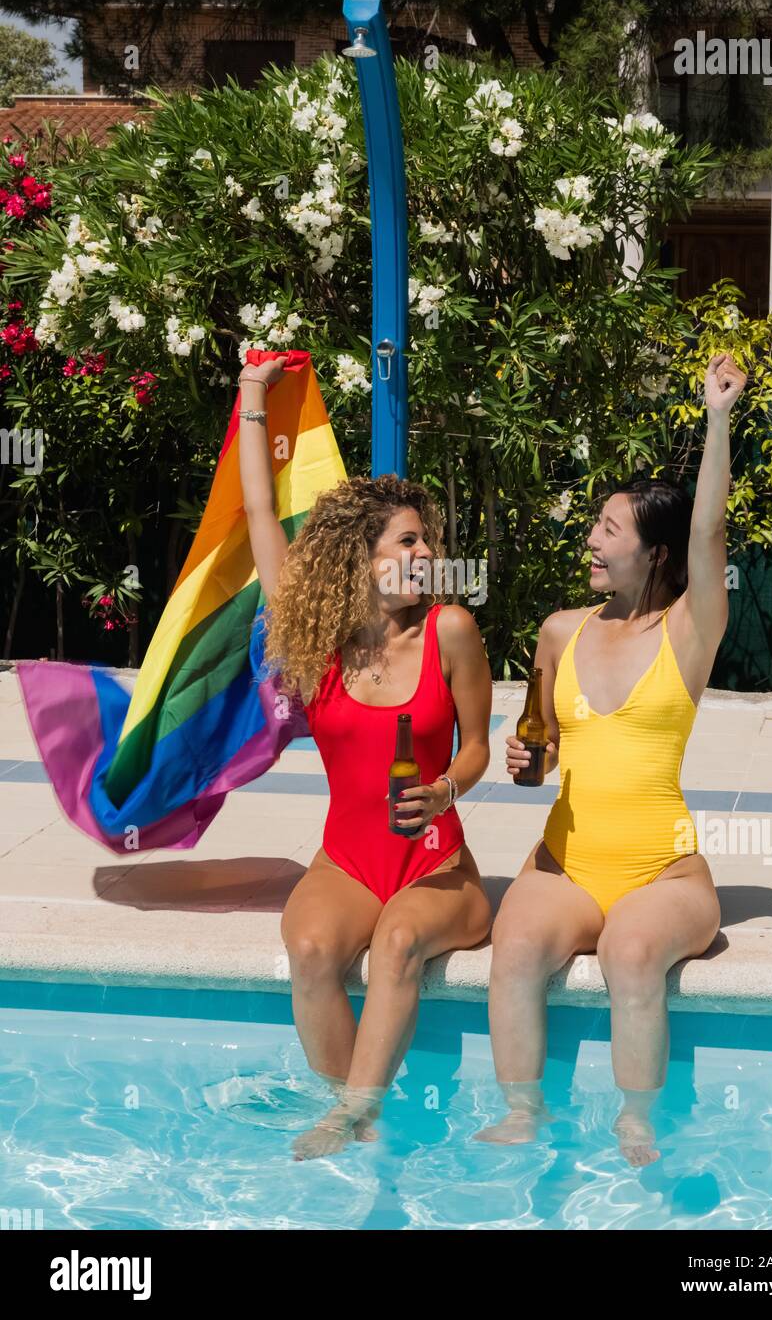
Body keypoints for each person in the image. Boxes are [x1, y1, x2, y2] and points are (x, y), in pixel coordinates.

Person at [477, 352, 748, 1167]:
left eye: (609, 530)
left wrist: (719, 418)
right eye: (594, 525)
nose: (591, 540)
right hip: (565, 865)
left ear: (654, 555)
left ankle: (637, 1127)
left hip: (662, 879)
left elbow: (707, 529)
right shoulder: (561, 631)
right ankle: (525, 1116)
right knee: (515, 948)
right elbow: (542, 759)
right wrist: (525, 761)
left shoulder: (691, 630)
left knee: (633, 955)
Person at [238, 355, 493, 1159]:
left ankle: (349, 1118)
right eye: (409, 539)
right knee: (309, 948)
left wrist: (448, 789)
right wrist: (251, 401)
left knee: (397, 945)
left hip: (436, 867)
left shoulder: (450, 630)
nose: (427, 552)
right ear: (363, 554)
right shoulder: (319, 641)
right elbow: (258, 516)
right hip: (346, 861)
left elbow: (480, 745)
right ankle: (366, 1119)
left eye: (429, 539)